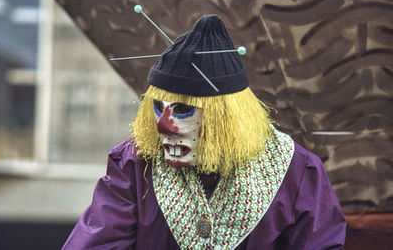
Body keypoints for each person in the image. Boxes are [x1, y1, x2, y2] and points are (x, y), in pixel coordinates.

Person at [62, 14, 346, 249]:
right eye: (159, 108)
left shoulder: (297, 170)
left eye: (184, 110)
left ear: (226, 118)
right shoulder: (135, 162)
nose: (165, 125)